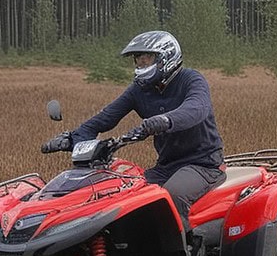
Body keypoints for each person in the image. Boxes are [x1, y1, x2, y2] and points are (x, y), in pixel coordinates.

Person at [42, 30, 227, 239]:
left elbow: (197, 109)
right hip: (166, 167)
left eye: (146, 59)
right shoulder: (140, 90)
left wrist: (165, 120)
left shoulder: (191, 79)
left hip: (203, 164)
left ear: (165, 57)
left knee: (172, 196)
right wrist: (73, 137)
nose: (140, 65)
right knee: (125, 196)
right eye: (137, 61)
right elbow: (106, 117)